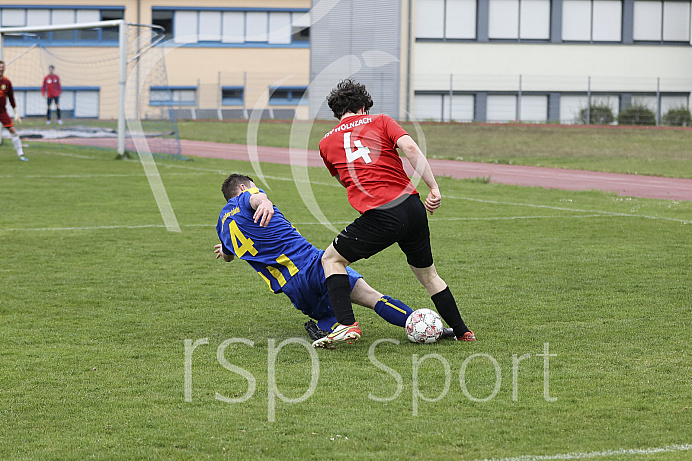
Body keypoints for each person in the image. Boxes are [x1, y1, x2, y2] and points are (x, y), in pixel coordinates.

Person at [314, 79, 475, 348]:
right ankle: (462, 331)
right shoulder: (382, 121)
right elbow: (411, 148)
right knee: (429, 275)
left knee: (331, 259)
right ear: (363, 107)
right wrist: (433, 188)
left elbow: (345, 179)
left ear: (337, 112)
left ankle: (346, 324)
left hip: (381, 215)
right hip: (412, 207)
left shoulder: (325, 143)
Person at [214, 173, 455, 345]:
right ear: (244, 189)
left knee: (330, 316)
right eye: (253, 187)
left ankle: (329, 328)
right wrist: (264, 201)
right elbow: (256, 198)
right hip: (314, 265)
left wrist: (224, 251)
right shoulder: (246, 198)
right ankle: (425, 327)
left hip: (293, 289)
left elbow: (227, 255)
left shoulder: (222, 225)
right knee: (372, 297)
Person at [0, 61, 27, 162]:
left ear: (4, 69)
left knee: (13, 130)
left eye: (2, 67)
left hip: (2, 112)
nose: (0, 69)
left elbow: (11, 98)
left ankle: (21, 154)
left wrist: (16, 112)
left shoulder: (7, 82)